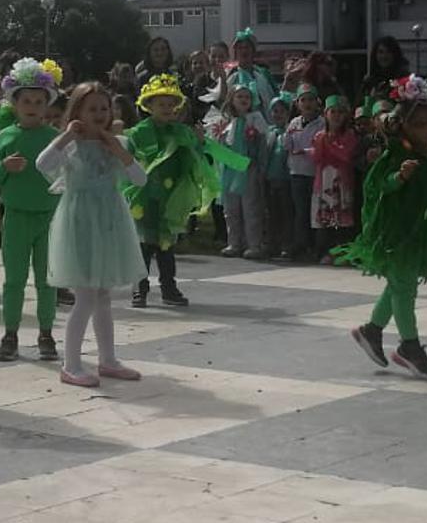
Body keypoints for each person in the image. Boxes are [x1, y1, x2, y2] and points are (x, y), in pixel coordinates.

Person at [40, 82, 148, 388]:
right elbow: (42, 164)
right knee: (85, 296)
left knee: (103, 296)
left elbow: (140, 179)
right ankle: (71, 365)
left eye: (105, 108)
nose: (100, 114)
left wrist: (119, 151)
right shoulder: (70, 145)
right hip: (80, 223)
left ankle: (108, 359)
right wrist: (66, 136)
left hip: (109, 222)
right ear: (77, 112)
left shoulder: (117, 143)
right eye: (92, 109)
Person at [341, 75, 427, 378]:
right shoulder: (395, 155)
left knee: (402, 284)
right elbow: (379, 186)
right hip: (394, 233)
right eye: (422, 124)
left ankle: (372, 330)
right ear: (404, 127)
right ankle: (409, 346)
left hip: (415, 233)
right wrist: (398, 177)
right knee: (404, 288)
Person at [0, 58, 63, 363]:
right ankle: (10, 334)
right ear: (15, 104)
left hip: (49, 218)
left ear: (47, 105)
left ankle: (46, 333)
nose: (32, 107)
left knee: (47, 280)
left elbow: (66, 176)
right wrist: (4, 167)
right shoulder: (5, 136)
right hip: (16, 216)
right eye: (26, 101)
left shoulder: (55, 138)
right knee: (14, 280)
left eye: (38, 101)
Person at [126, 73, 216, 307]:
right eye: (161, 104)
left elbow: (194, 156)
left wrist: (199, 142)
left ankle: (169, 288)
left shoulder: (181, 132)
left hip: (170, 198)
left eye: (170, 104)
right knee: (144, 245)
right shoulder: (139, 132)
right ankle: (139, 288)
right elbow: (128, 159)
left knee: (166, 246)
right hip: (145, 197)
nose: (167, 109)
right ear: (148, 106)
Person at [208, 83, 268, 259]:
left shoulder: (256, 119)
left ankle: (254, 244)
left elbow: (263, 145)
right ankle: (234, 242)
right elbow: (218, 146)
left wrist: (260, 167)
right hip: (229, 169)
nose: (243, 100)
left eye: (247, 97)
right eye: (239, 96)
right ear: (231, 99)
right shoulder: (224, 121)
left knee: (251, 207)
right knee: (231, 208)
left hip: (249, 169)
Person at [308, 94, 362, 258]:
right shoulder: (319, 136)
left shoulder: (349, 136)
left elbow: (346, 156)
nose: (337, 116)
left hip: (342, 183)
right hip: (323, 182)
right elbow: (316, 158)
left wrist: (329, 145)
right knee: (324, 218)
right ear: (326, 114)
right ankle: (324, 251)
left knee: (342, 219)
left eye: (340, 112)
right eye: (333, 112)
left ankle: (342, 252)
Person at [282, 85, 322, 260]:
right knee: (300, 211)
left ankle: (314, 246)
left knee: (314, 211)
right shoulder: (294, 123)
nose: (307, 104)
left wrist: (305, 151)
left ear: (317, 102)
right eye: (303, 100)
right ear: (298, 104)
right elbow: (287, 145)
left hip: (314, 173)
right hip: (297, 172)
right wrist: (288, 134)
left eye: (310, 100)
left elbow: (321, 146)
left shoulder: (322, 123)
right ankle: (300, 244)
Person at [261, 93, 295, 260]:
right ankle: (271, 243)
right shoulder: (268, 132)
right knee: (271, 213)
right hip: (270, 178)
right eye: (275, 111)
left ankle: (286, 244)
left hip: (286, 179)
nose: (278, 114)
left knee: (286, 213)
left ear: (288, 113)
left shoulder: (291, 131)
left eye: (282, 111)